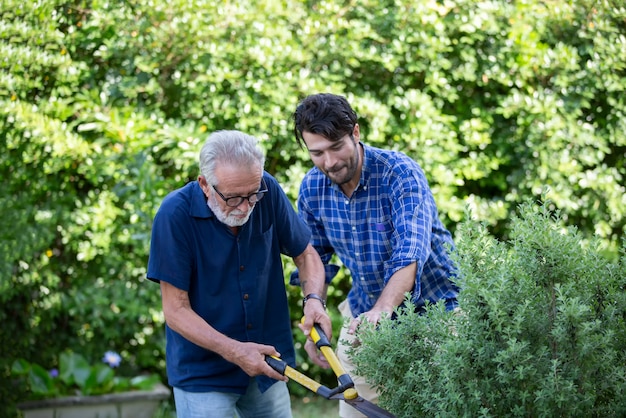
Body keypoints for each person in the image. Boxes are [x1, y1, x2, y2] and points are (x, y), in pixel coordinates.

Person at [290, 93, 460, 418]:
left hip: (439, 315)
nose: (329, 162)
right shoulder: (312, 188)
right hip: (366, 319)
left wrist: (382, 310)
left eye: (336, 147)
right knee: (358, 412)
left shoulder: (400, 174)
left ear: (355, 133)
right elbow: (314, 259)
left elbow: (409, 253)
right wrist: (314, 307)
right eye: (317, 153)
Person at [147, 130, 331, 418]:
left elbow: (306, 254)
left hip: (269, 364)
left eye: (252, 195)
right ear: (205, 185)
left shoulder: (266, 190)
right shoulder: (174, 215)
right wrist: (236, 351)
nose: (246, 207)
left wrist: (314, 300)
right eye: (233, 198)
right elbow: (175, 310)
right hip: (203, 373)